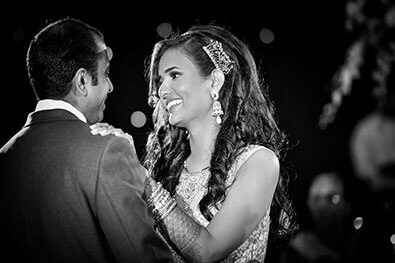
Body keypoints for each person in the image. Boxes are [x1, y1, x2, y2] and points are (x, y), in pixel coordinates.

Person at [92, 24, 298, 262]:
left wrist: (141, 179)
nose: (162, 91)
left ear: (215, 81)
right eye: (160, 81)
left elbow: (207, 252)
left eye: (175, 75)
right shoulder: (165, 167)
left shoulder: (258, 161)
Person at [0, 17, 174, 263]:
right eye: (106, 74)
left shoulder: (5, 155)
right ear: (82, 81)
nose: (111, 86)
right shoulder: (107, 150)